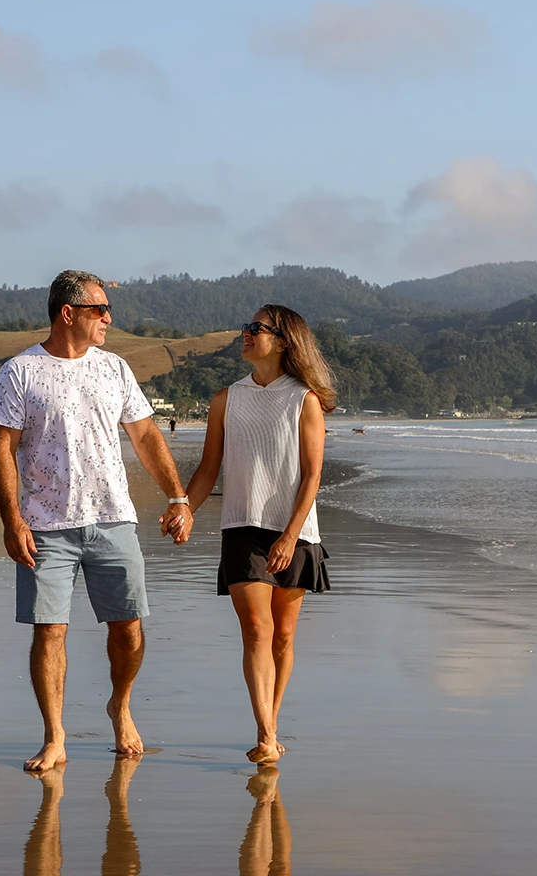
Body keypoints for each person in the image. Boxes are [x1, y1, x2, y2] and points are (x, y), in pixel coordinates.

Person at [0, 269, 195, 773]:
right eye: (100, 310)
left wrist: (177, 496)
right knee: (49, 631)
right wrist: (12, 520)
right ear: (69, 313)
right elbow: (2, 449)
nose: (108, 319)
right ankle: (55, 737)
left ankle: (119, 706)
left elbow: (145, 437)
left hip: (113, 518)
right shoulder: (21, 371)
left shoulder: (114, 368)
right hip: (45, 524)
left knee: (128, 628)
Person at [182, 304, 334, 764]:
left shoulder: (303, 400)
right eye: (246, 327)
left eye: (256, 328)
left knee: (283, 636)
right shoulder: (226, 399)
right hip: (242, 526)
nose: (245, 334)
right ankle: (266, 734)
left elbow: (311, 476)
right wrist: (184, 508)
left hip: (294, 531)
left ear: (284, 341)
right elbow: (210, 468)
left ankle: (272, 721)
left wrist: (289, 535)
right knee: (256, 628)